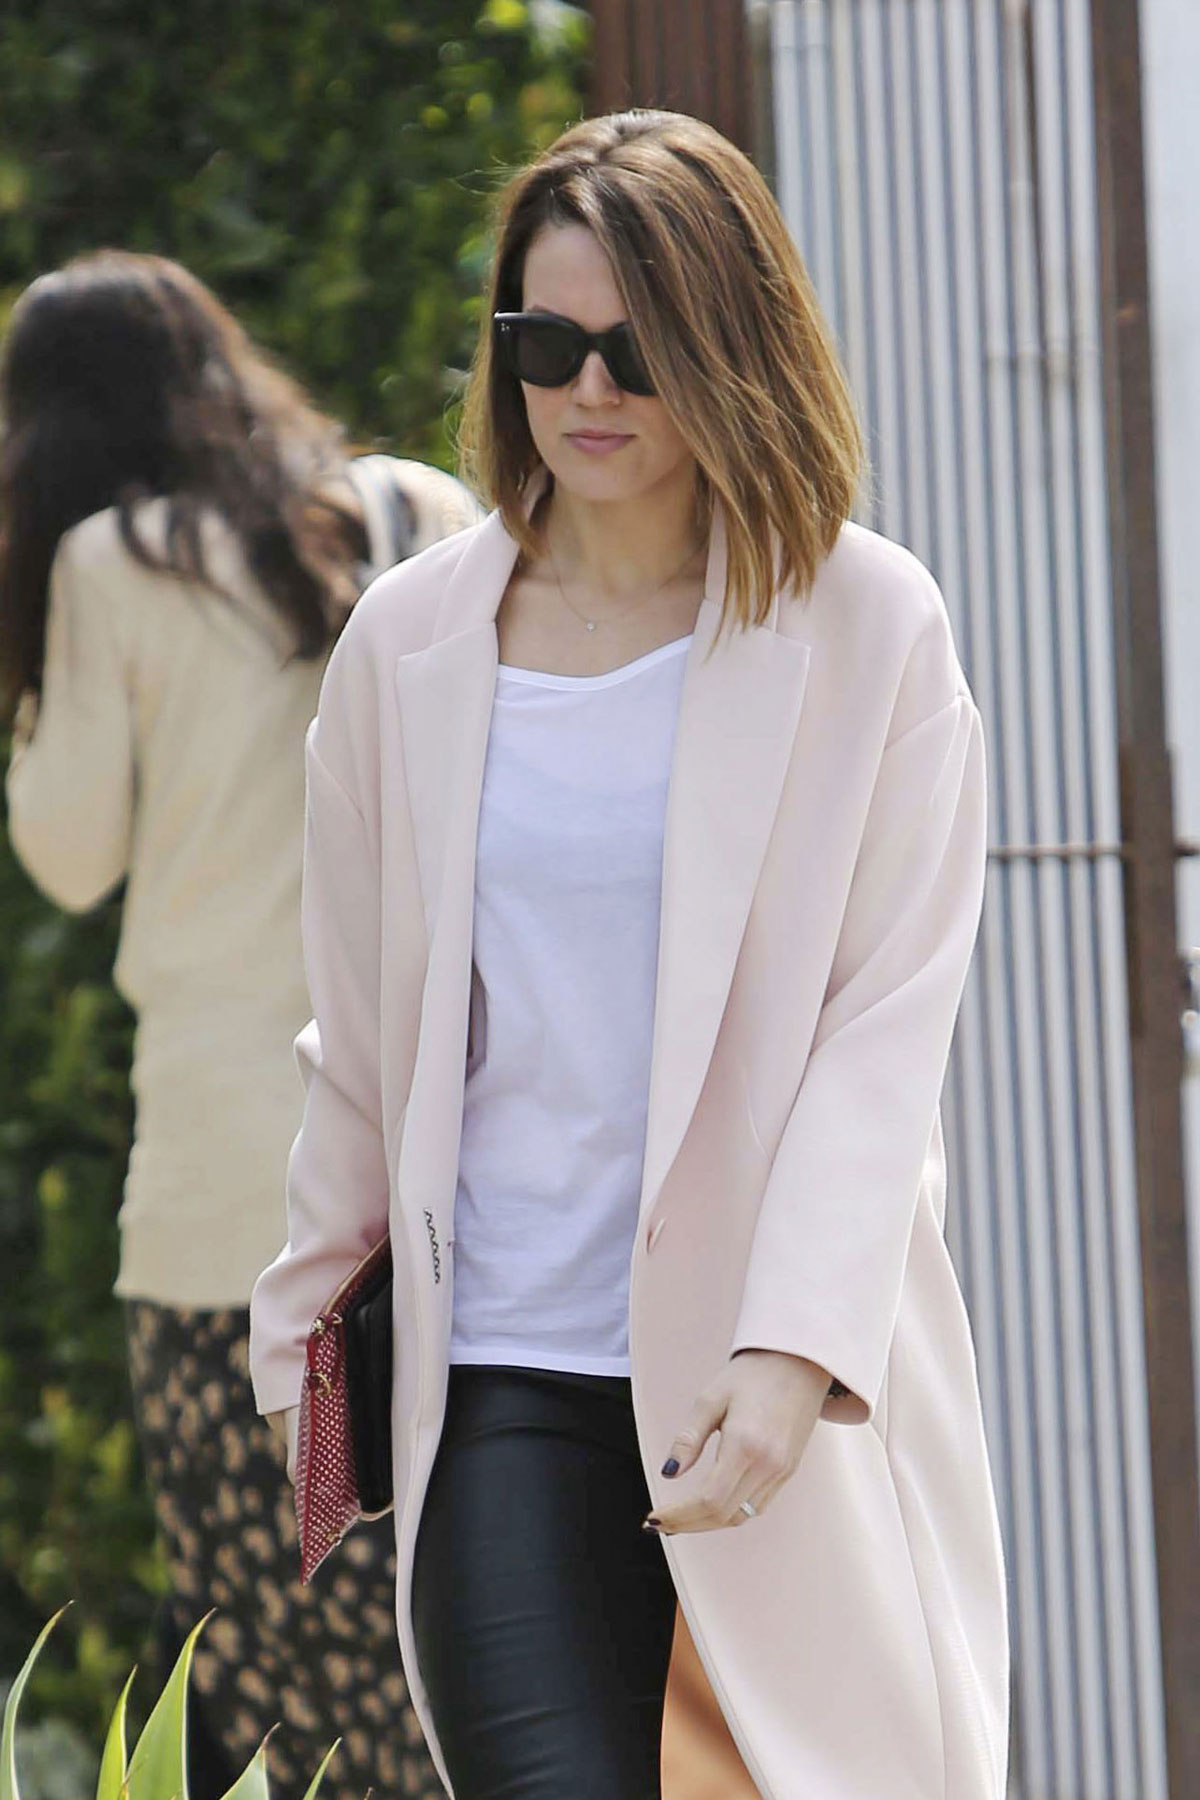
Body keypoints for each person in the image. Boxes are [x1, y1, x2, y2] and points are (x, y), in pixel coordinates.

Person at [249, 110, 1010, 1800]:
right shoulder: (409, 645)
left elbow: (883, 1036)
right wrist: (308, 1316)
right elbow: (365, 1030)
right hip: (502, 1372)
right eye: (546, 344)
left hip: (767, 1386)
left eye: (637, 350)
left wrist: (794, 1348)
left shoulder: (868, 624)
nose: (588, 390)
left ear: (729, 346)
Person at [1, 249, 477, 1800]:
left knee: (288, 1663)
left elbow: (68, 849)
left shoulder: (110, 563)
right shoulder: (416, 513)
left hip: (230, 1218)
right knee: (447, 1646)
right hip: (444, 1200)